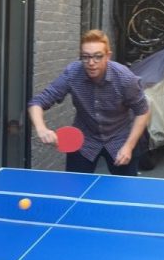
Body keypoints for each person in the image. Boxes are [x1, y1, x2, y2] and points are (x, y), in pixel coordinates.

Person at [28, 29, 150, 176]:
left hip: (120, 138)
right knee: (74, 189)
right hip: (84, 140)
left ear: (108, 56)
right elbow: (38, 102)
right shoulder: (73, 73)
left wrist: (129, 147)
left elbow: (143, 111)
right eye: (85, 57)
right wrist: (41, 129)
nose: (91, 63)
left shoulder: (125, 79)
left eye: (98, 56)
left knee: (124, 193)